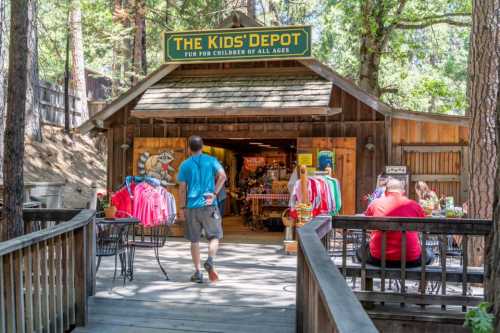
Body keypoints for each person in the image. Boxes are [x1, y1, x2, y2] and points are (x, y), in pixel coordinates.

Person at [178, 136, 227, 283]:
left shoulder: (185, 165)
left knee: (194, 240)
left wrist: (181, 208)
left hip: (192, 207)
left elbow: (182, 189)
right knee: (214, 236)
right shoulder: (211, 160)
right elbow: (223, 176)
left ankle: (198, 272)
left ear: (189, 148)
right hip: (209, 204)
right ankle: (210, 260)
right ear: (202, 146)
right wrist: (214, 194)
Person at [357, 178, 433, 268]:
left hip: (379, 259)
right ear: (403, 192)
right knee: (430, 253)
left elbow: (367, 225)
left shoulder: (374, 204)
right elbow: (424, 229)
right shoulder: (414, 205)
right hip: (410, 260)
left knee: (360, 251)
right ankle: (423, 281)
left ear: (385, 192)